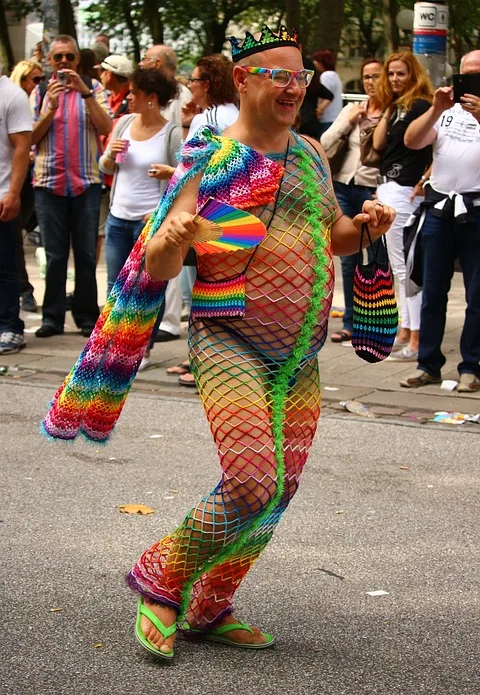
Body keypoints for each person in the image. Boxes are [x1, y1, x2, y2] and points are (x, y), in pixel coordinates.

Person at [123, 26, 395, 659]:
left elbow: (335, 237)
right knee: (250, 482)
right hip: (229, 342)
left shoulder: (308, 154)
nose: (292, 88)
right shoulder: (208, 158)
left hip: (300, 354)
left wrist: (366, 227)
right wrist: (178, 236)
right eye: (278, 75)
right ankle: (163, 577)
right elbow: (159, 265)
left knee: (280, 492)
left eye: (299, 77)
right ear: (243, 80)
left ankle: (211, 603)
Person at [400, 50, 480, 392]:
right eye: (467, 73)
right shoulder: (446, 112)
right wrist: (436, 109)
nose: (471, 79)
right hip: (439, 206)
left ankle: (471, 367)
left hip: (476, 209)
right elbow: (412, 141)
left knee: (477, 294)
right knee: (432, 290)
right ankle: (428, 364)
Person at [31, 34, 112, 338]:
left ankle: (86, 317)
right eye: (58, 57)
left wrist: (86, 95)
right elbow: (29, 139)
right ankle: (51, 318)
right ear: (50, 62)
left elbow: (107, 129)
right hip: (48, 184)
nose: (64, 62)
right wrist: (49, 108)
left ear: (78, 60)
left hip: (85, 184)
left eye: (69, 57)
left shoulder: (94, 89)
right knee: (54, 256)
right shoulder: (40, 92)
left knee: (87, 256)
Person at [172, 53, 239, 386]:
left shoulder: (208, 118)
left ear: (207, 84)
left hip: (203, 213)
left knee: (196, 290)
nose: (189, 86)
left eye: (193, 80)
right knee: (221, 290)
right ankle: (204, 360)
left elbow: (190, 171)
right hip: (232, 214)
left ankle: (201, 362)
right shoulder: (236, 115)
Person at [372, 51, 433, 360]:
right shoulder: (396, 108)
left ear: (413, 75)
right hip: (388, 187)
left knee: (404, 266)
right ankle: (405, 332)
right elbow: (378, 145)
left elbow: (436, 146)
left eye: (401, 74)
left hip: (404, 189)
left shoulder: (421, 107)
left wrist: (426, 177)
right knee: (396, 266)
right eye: (391, 74)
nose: (395, 79)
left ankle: (415, 338)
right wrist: (386, 108)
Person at [99, 67, 181, 295]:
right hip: (117, 219)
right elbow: (105, 167)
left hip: (149, 223)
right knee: (114, 288)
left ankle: (146, 333)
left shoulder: (171, 134)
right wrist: (110, 157)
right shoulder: (124, 123)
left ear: (152, 98)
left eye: (134, 92)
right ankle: (112, 333)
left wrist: (170, 173)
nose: (128, 97)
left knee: (147, 290)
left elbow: (185, 177)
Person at [321, 58, 385, 343]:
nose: (371, 82)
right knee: (347, 256)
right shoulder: (352, 110)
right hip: (344, 186)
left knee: (374, 258)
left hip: (371, 189)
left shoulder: (392, 113)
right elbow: (323, 143)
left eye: (376, 76)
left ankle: (374, 320)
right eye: (366, 77)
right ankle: (350, 322)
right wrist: (347, 122)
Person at [139, 44, 193, 342]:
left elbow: (179, 142)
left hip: (175, 181)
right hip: (165, 181)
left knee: (175, 253)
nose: (141, 63)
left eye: (145, 59)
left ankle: (170, 320)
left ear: (157, 62)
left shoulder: (179, 96)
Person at [0, 69, 32, 354]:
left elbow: (22, 148)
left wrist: (13, 193)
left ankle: (10, 326)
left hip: (1, 194)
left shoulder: (12, 95)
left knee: (6, 266)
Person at [10, 59, 45, 313]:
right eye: (35, 79)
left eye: (41, 79)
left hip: (22, 181)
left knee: (15, 240)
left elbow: (26, 142)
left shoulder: (33, 100)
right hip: (16, 178)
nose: (39, 84)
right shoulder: (14, 100)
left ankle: (24, 292)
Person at [96, 54, 134, 263]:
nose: (100, 76)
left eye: (102, 71)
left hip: (119, 184)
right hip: (108, 179)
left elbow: (121, 146)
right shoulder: (109, 100)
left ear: (109, 74)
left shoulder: (130, 104)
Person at [296, 56, 333, 140]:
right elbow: (329, 95)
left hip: (299, 119)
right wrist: (320, 109)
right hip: (312, 119)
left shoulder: (296, 84)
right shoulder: (315, 84)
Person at [312, 49, 343, 134]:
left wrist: (319, 111)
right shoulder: (335, 75)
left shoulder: (326, 76)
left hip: (327, 118)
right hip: (334, 117)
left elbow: (325, 96)